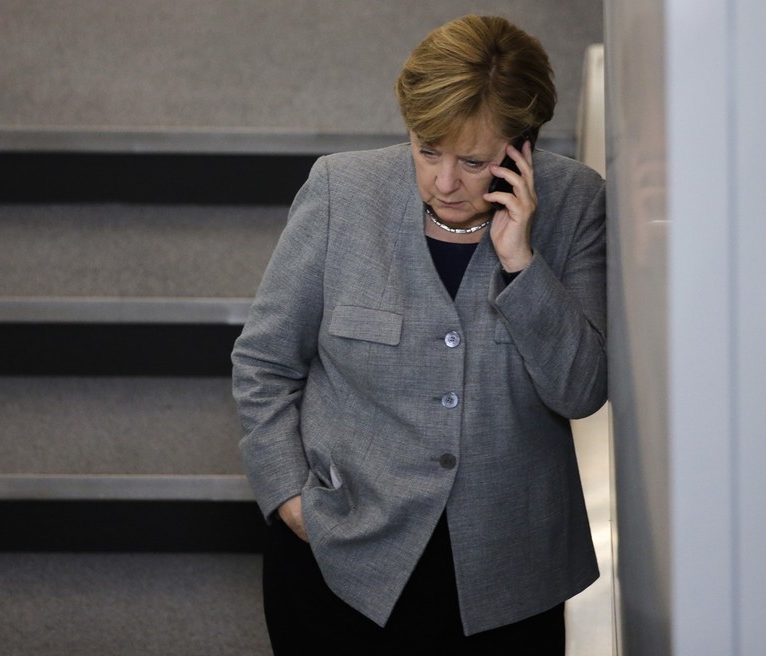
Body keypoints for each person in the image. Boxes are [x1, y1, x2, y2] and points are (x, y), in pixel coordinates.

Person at [232, 14, 606, 655]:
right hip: (344, 561)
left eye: (474, 161)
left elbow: (582, 391)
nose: (443, 181)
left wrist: (524, 267)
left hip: (508, 576)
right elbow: (264, 361)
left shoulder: (577, 205)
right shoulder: (340, 193)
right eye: (426, 148)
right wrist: (289, 497)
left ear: (523, 146)